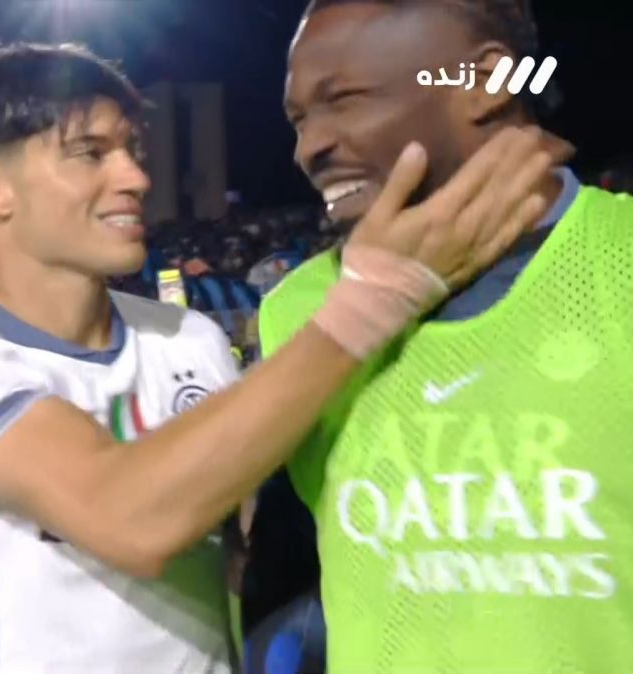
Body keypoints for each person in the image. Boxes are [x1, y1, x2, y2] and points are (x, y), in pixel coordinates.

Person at [0, 41, 559, 673]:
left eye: (132, 149)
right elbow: (127, 516)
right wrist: (375, 298)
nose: (135, 176)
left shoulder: (189, 339)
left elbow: (245, 555)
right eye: (90, 153)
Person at [255, 0, 633, 670]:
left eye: (345, 99)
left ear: (484, 81)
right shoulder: (298, 310)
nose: (309, 148)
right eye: (299, 119)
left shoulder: (620, 263)